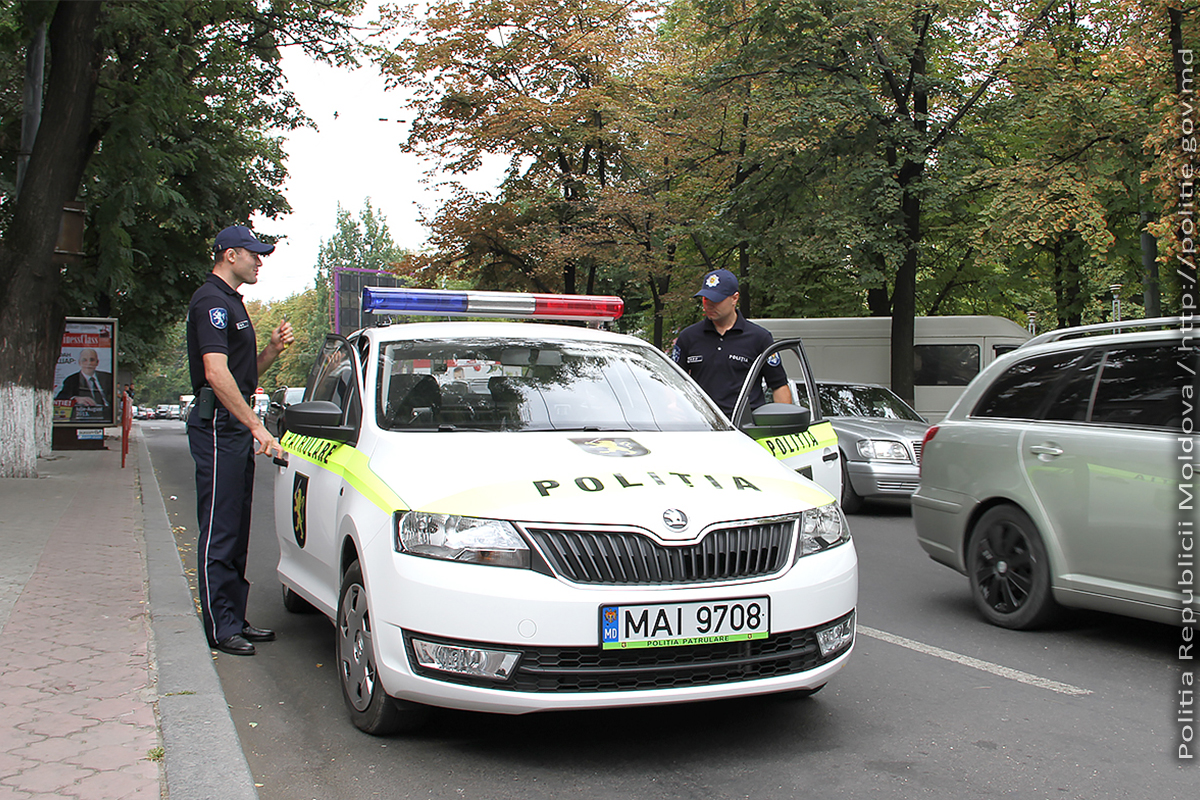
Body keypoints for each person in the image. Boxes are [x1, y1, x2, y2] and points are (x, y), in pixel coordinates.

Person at [187, 225, 294, 656]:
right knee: (220, 527)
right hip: (218, 425)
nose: (259, 261)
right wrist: (256, 426)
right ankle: (220, 626)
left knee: (236, 524)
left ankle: (233, 616)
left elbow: (242, 375)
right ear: (231, 255)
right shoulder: (210, 300)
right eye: (254, 254)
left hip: (231, 422)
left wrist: (270, 351)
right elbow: (215, 373)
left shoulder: (231, 303)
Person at [672, 268, 792, 418]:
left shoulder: (759, 338)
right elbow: (672, 383)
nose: (709, 304)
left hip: (746, 429)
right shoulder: (688, 337)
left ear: (734, 298)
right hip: (702, 426)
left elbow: (779, 386)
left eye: (716, 299)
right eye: (705, 299)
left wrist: (783, 425)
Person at [56, 348, 114, 420]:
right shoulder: (71, 380)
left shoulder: (107, 377)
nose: (88, 363)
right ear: (79, 362)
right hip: (85, 416)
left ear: (97, 362)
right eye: (84, 360)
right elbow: (61, 398)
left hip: (107, 415)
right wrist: (75, 399)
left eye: (92, 360)